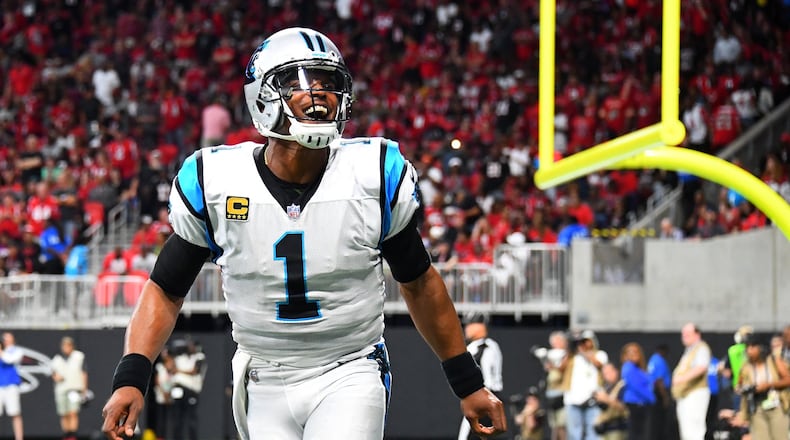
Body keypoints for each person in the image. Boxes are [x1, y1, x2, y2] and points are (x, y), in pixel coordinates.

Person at [101, 27, 506, 440]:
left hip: (349, 367)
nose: (318, 94)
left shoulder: (371, 175)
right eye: (298, 83)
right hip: (261, 375)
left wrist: (467, 382)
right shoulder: (217, 181)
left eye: (328, 83)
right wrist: (131, 376)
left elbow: (419, 283)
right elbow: (166, 288)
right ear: (263, 97)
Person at [731, 334, 790, 440]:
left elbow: (788, 379)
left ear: (761, 348)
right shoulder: (746, 365)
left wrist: (769, 385)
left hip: (776, 406)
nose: (749, 350)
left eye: (753, 347)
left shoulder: (773, 361)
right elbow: (738, 385)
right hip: (756, 408)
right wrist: (743, 388)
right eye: (747, 347)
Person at [457, 313, 503, 440]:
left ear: (480, 325)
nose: (466, 328)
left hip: (483, 399)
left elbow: (487, 379)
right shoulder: (479, 347)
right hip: (486, 399)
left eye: (470, 324)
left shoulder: (486, 346)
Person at [561, 329, 608, 440]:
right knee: (574, 435)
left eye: (586, 341)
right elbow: (560, 368)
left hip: (593, 400)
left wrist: (584, 351)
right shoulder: (573, 357)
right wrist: (570, 349)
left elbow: (599, 364)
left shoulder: (600, 354)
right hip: (573, 400)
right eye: (581, 341)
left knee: (594, 434)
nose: (584, 344)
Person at [672, 323, 712, 440]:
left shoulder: (701, 348)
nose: (684, 337)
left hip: (695, 393)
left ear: (697, 334)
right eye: (683, 334)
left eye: (688, 334)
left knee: (694, 430)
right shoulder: (690, 350)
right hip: (686, 395)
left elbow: (701, 367)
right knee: (687, 431)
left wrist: (681, 379)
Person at [51, 336, 88, 440]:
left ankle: (72, 435)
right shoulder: (57, 359)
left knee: (73, 412)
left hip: (74, 389)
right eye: (64, 345)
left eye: (68, 345)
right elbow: (53, 373)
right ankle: (66, 434)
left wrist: (84, 390)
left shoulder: (79, 357)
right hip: (61, 389)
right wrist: (55, 377)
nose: (65, 348)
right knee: (63, 413)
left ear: (72, 346)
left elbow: (84, 373)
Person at [619, 342, 655, 440]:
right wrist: (652, 398)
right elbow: (637, 387)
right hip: (634, 405)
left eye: (636, 352)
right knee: (636, 435)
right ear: (625, 355)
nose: (633, 354)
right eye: (630, 352)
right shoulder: (628, 367)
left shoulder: (639, 369)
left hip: (642, 405)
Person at [592, 363, 628, 440]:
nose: (607, 376)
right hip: (606, 428)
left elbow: (624, 407)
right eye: (604, 374)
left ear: (616, 371)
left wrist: (607, 399)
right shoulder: (606, 388)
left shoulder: (622, 386)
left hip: (618, 427)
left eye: (609, 372)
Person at [0, 332, 23, 440]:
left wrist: (1, 352)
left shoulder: (17, 351)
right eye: (4, 339)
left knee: (15, 413)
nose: (6, 340)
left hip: (11, 386)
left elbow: (9, 359)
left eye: (8, 338)